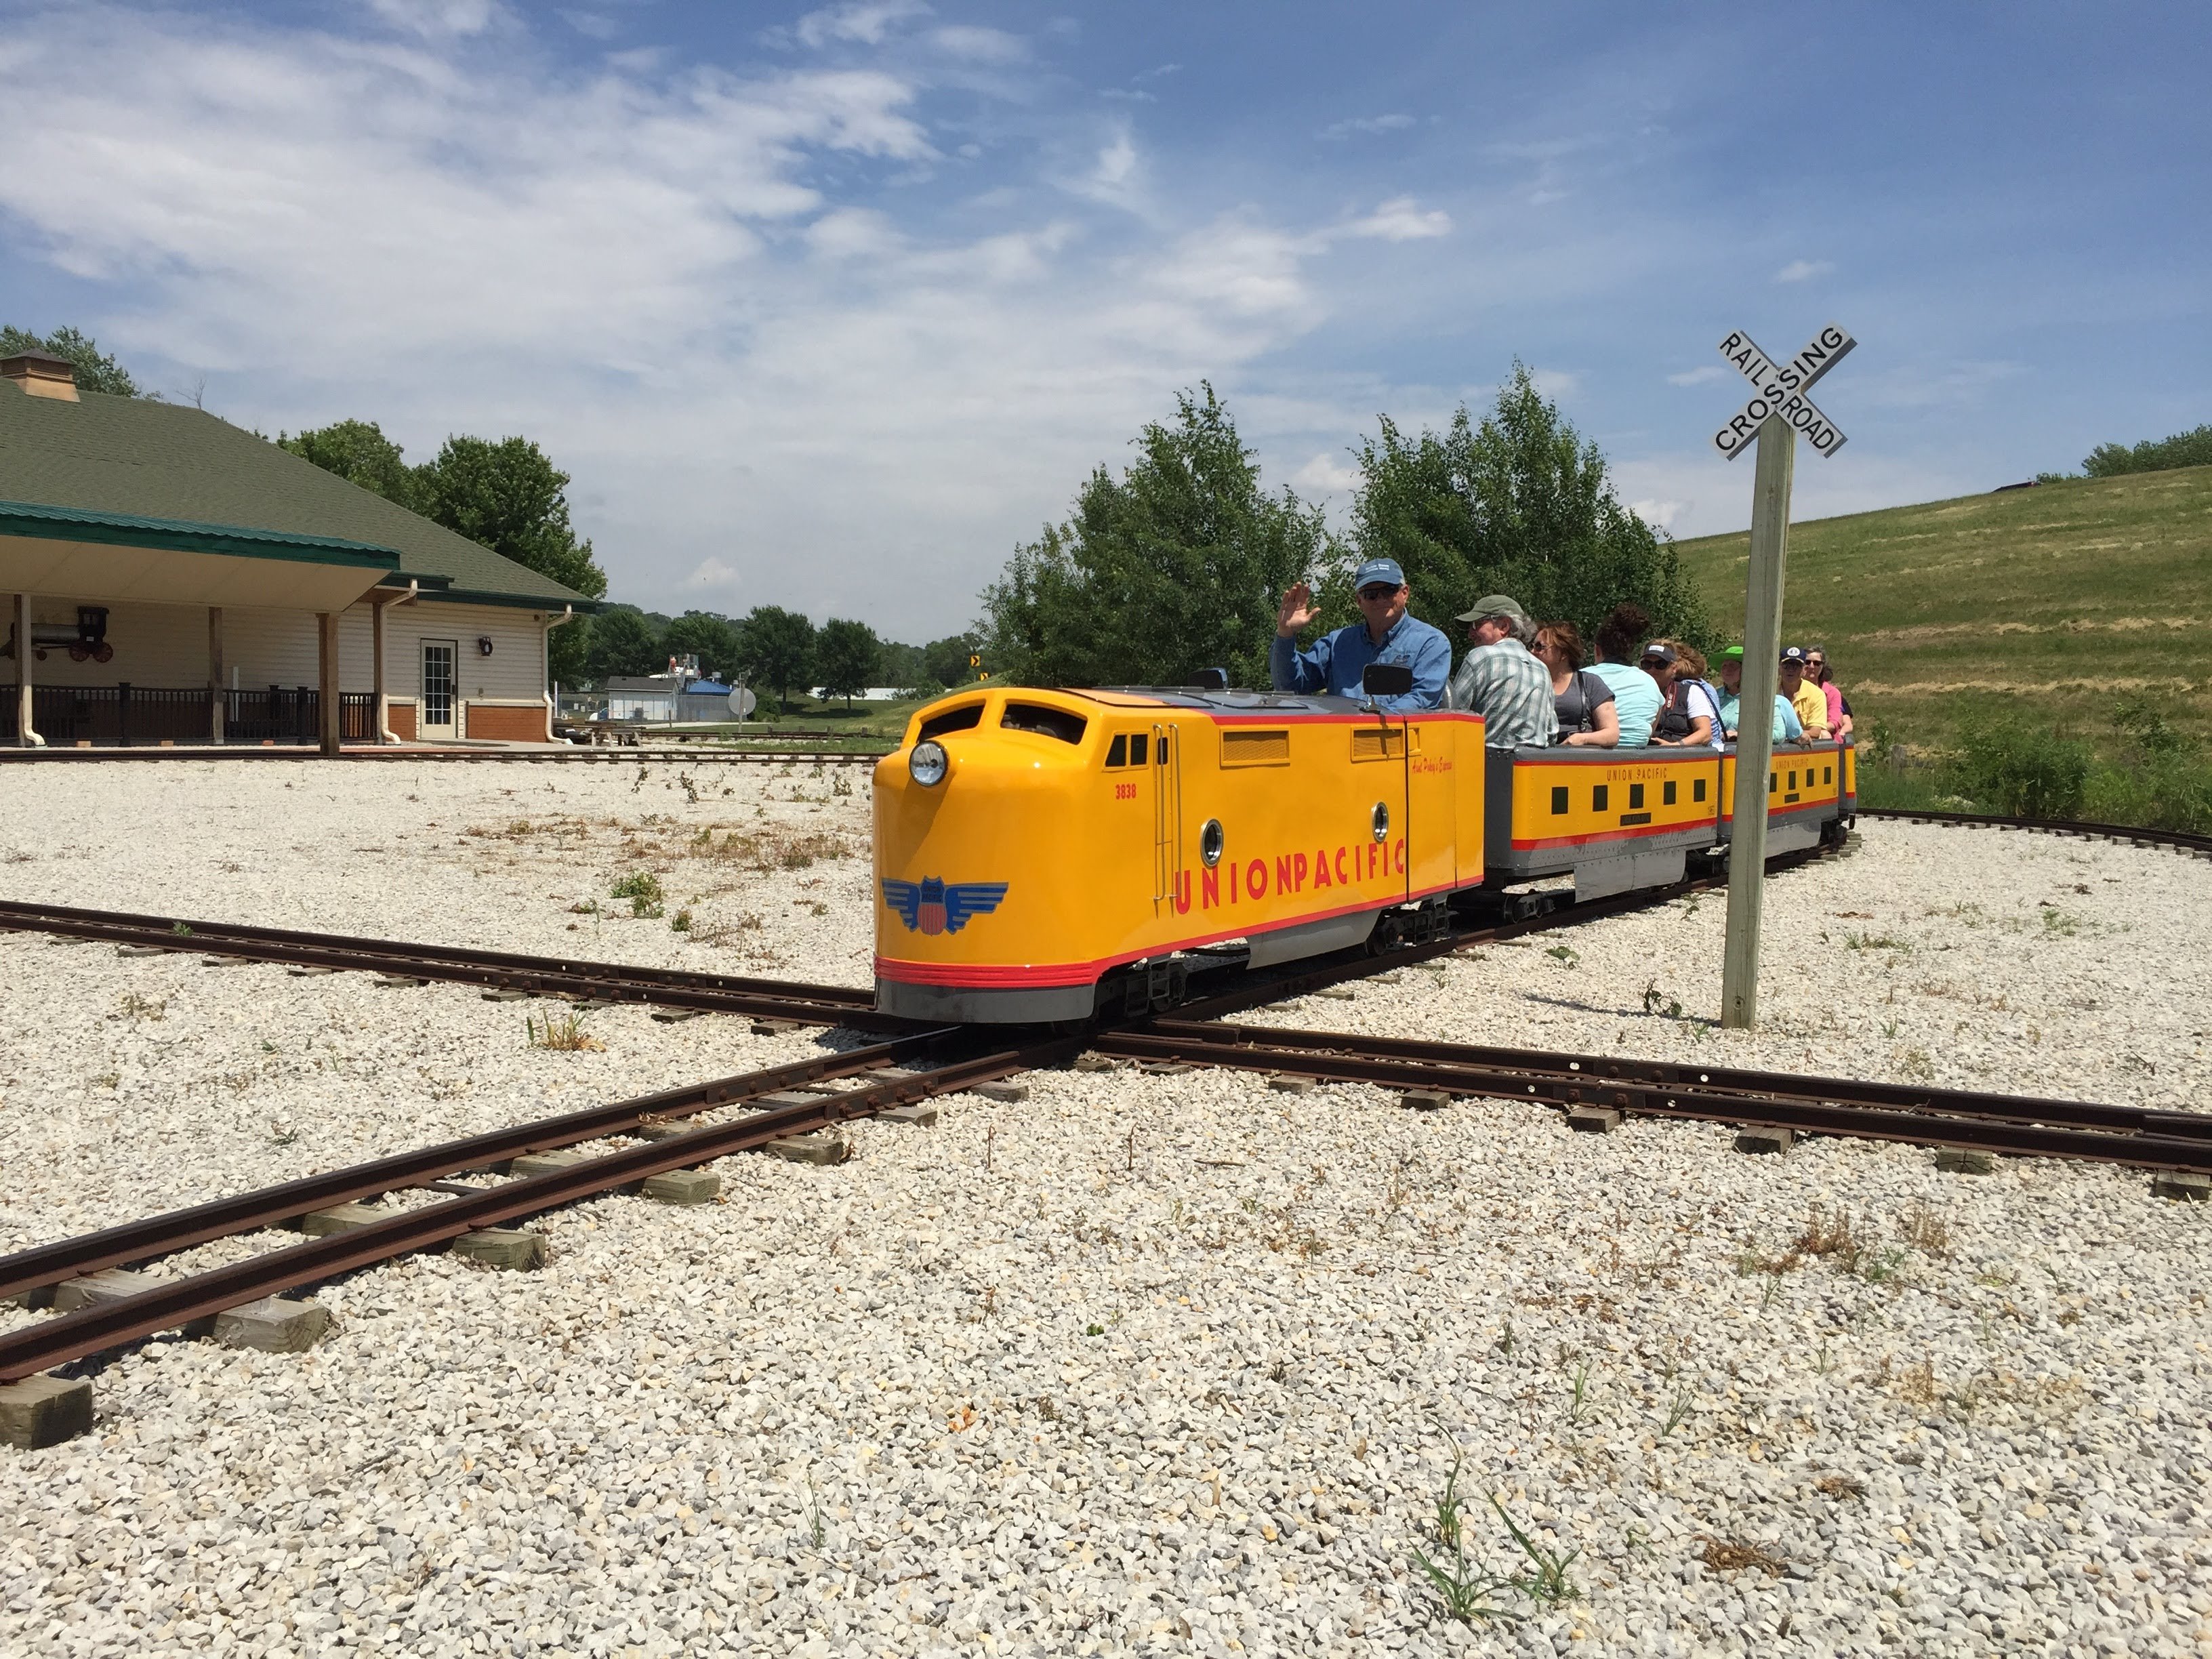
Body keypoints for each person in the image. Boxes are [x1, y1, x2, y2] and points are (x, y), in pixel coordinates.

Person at [1272, 558, 1449, 712]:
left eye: (1389, 591)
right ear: (1359, 601)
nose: (1380, 599)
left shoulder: (1431, 643)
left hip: (1400, 745)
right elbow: (1290, 686)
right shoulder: (1337, 643)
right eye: (1371, 595)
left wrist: (1366, 721)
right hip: (1340, 742)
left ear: (1405, 593)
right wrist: (1285, 634)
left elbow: (1421, 700)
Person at [1441, 594, 1557, 747]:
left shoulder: (1480, 657)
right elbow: (1551, 732)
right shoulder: (1542, 669)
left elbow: (1452, 717)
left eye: (1477, 625)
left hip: (1484, 764)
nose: (1470, 634)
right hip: (1532, 764)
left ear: (1504, 626)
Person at [1588, 603, 1662, 747]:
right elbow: (1650, 731)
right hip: (1636, 760)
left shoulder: (1583, 677)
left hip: (1592, 759)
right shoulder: (1650, 683)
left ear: (1597, 650)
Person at [1533, 621, 1618, 747]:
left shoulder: (1590, 683)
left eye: (1540, 647)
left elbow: (1612, 734)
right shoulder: (1530, 683)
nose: (1533, 651)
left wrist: (1582, 739)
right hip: (1536, 759)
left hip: (1578, 760)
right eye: (1532, 646)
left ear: (1563, 654)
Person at [1714, 645, 1803, 744]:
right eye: (1724, 666)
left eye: (1732, 666)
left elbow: (1779, 735)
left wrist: (1741, 736)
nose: (1727, 670)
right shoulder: (1713, 696)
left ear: (1747, 670)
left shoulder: (1763, 698)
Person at [1648, 640, 1720, 747]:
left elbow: (1706, 734)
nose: (1652, 669)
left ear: (1674, 668)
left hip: (1681, 759)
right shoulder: (1634, 692)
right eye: (1647, 664)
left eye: (1660, 664)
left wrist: (1675, 746)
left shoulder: (1691, 691)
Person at [1779, 646, 1831, 739]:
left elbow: (1815, 732)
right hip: (1772, 743)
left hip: (1803, 746)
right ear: (1779, 667)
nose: (1791, 670)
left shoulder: (1816, 694)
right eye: (1787, 665)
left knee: (1825, 735)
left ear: (1805, 670)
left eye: (1796, 666)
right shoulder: (1768, 691)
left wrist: (1790, 735)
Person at [1806, 646, 1853, 739]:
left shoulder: (1833, 693)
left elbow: (1833, 723)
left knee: (1824, 734)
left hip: (1826, 739)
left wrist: (1812, 731)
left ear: (1823, 666)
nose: (1811, 666)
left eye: (1816, 663)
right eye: (1807, 662)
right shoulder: (1793, 688)